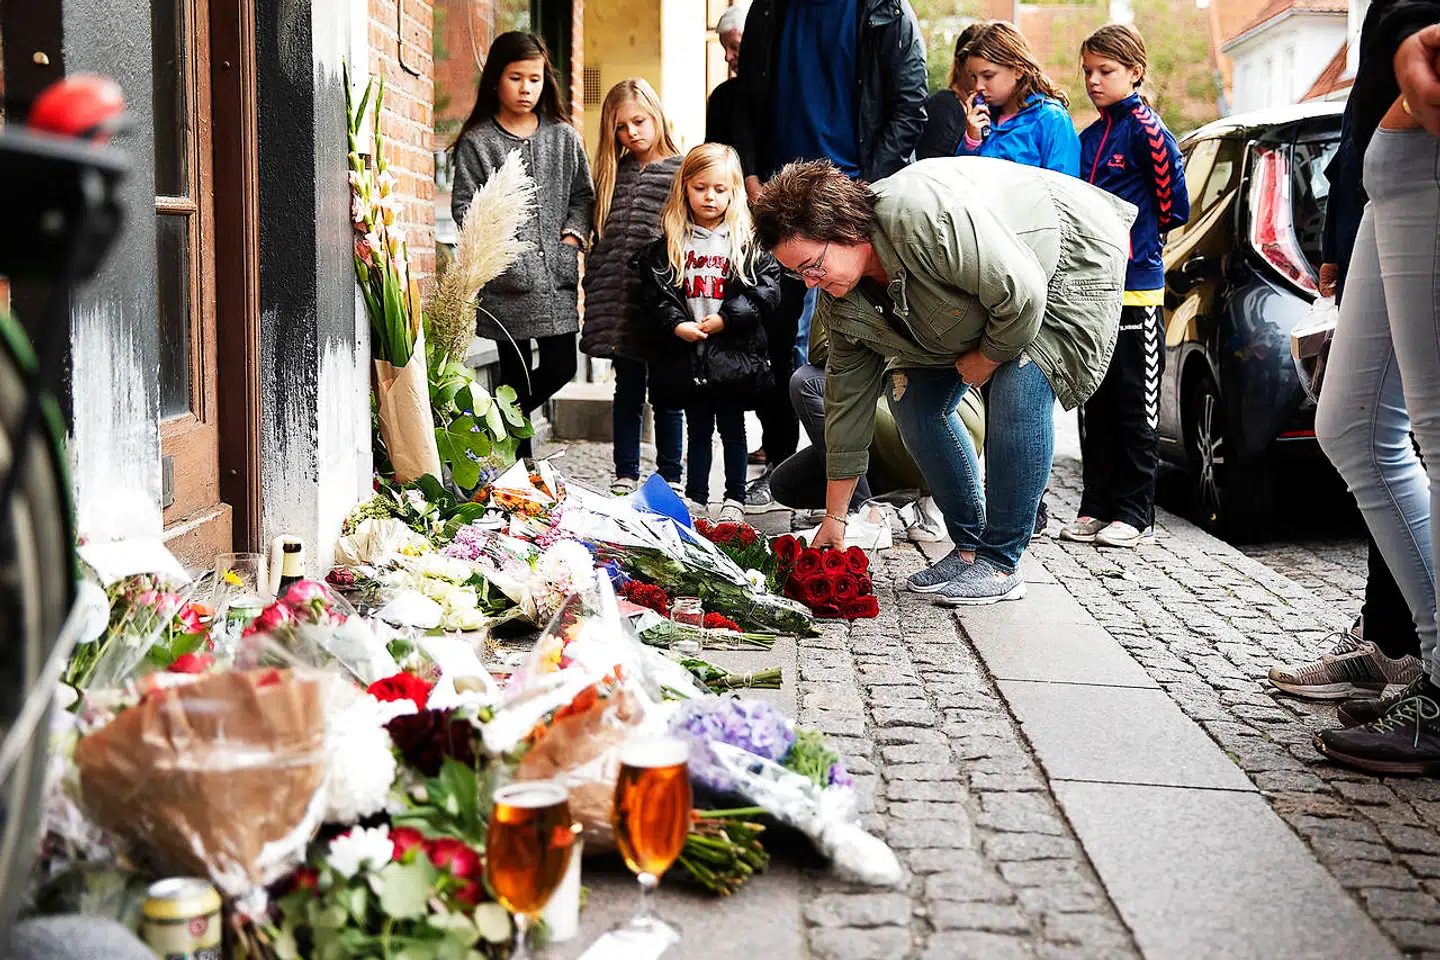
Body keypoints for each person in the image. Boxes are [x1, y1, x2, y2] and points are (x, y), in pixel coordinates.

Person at [753, 158, 1132, 604]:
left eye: (812, 265)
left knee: (1019, 387)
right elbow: (845, 405)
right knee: (912, 400)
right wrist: (836, 519)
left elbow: (1023, 293)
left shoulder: (922, 220)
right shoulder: (841, 302)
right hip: (989, 295)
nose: (810, 282)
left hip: (1064, 256)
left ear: (847, 230)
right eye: (799, 273)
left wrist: (986, 358)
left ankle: (1001, 563)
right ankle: (970, 549)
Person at [1266, 8, 1425, 720]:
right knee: (1355, 432)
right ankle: (1394, 641)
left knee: (1420, 438)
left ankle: (1421, 665)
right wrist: (1340, 232)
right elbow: (1360, 115)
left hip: (1418, 183)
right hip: (1379, 200)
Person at [731, 0, 930, 509]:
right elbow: (746, 96)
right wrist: (751, 172)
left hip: (849, 213)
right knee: (780, 346)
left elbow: (910, 106)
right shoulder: (769, 9)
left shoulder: (886, 10)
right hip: (779, 209)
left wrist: (864, 193)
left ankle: (864, 490)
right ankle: (787, 459)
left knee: (842, 350)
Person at [1309, 0, 1440, 774]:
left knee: (1435, 432)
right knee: (1352, 429)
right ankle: (1428, 657)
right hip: (1386, 181)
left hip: (1426, 160)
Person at [1059, 24, 1189, 549]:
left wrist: (1135, 242)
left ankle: (1135, 513)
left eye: (1105, 71)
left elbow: (1174, 207)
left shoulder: (1148, 132)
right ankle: (1096, 505)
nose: (1093, 80)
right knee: (1096, 403)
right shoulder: (1088, 137)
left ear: (1134, 73)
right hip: (1092, 292)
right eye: (1088, 71)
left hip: (1136, 290)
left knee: (1136, 406)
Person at [450, 32, 593, 460]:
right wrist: (504, 252)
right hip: (507, 282)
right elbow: (465, 206)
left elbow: (582, 196)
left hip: (556, 278)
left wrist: (571, 238)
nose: (526, 88)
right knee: (514, 375)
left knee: (562, 365)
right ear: (497, 79)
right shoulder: (478, 142)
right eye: (516, 78)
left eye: (534, 79)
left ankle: (495, 422)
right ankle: (520, 466)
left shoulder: (563, 137)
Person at [635, 143, 783, 522]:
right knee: (698, 430)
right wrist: (676, 323)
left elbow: (766, 291)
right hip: (691, 356)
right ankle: (696, 496)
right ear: (684, 188)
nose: (710, 197)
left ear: (734, 192)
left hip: (731, 354)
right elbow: (654, 295)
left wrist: (727, 319)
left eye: (720, 189)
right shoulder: (672, 243)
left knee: (733, 430)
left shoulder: (746, 244)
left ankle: (735, 496)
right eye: (700, 188)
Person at [769, 306, 985, 543]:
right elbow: (822, 351)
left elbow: (822, 351)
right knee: (786, 484)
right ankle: (921, 493)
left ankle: (867, 516)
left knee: (807, 382)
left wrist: (863, 339)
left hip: (941, 414)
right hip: (913, 406)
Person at [577, 79, 685, 496]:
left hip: (664, 303)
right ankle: (625, 473)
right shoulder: (612, 175)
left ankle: (671, 476)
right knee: (627, 390)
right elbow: (600, 241)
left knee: (667, 393)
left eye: (638, 121)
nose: (631, 133)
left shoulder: (681, 171)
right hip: (620, 304)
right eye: (621, 127)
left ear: (655, 115)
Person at [956, 21, 1080, 177]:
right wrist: (971, 142)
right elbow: (960, 180)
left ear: (1018, 70)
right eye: (974, 77)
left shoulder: (1050, 119)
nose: (978, 86)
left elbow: (1065, 184)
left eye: (988, 76)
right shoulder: (983, 118)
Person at [917, 22, 988, 161]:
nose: (980, 83)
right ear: (959, 64)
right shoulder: (942, 107)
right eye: (973, 73)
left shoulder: (984, 106)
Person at [705, 2, 750, 148]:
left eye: (735, 47)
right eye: (725, 48)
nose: (727, 57)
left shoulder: (778, 91)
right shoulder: (720, 97)